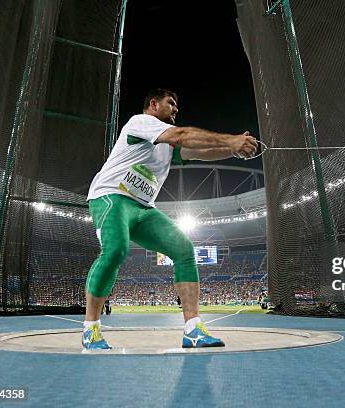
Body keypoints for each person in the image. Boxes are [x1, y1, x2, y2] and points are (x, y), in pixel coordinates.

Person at [82, 88, 257, 350]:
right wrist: (231, 139)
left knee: (185, 250)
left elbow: (198, 152)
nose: (175, 108)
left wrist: (232, 150)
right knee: (116, 250)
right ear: (153, 104)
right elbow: (182, 134)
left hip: (143, 207)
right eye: (170, 103)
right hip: (111, 196)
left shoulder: (168, 145)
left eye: (176, 105)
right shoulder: (140, 122)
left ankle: (192, 330)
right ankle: (91, 329)